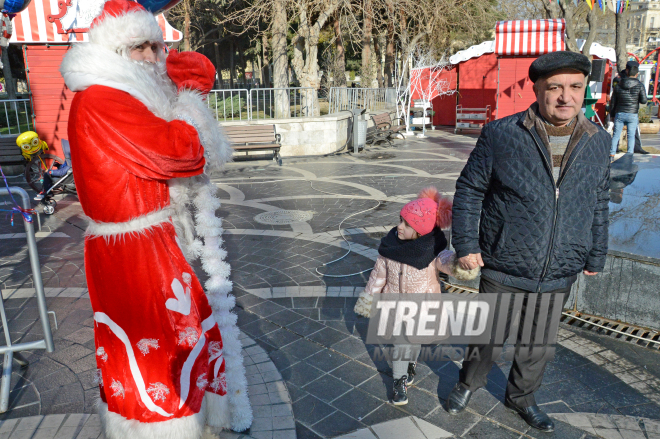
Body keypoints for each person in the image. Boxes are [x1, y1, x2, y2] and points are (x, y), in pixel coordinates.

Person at [59, 1, 250, 438]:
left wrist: (183, 98)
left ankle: (183, 420)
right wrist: (188, 98)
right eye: (138, 48)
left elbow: (195, 155)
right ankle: (164, 428)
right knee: (159, 349)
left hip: (147, 239)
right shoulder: (104, 99)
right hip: (134, 251)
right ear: (114, 52)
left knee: (178, 339)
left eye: (154, 46)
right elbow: (179, 151)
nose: (151, 57)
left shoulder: (122, 95)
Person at [447, 51, 610, 432]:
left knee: (538, 345)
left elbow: (599, 199)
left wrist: (596, 252)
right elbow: (470, 190)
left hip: (560, 266)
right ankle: (467, 383)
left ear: (584, 89)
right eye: (555, 87)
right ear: (537, 89)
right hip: (505, 260)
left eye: (575, 87)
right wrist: (467, 245)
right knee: (486, 336)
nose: (565, 97)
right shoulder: (502, 133)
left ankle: (522, 397)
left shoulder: (598, 140)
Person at [353, 187, 479, 406]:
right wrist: (368, 298)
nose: (399, 227)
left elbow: (447, 261)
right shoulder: (390, 247)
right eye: (400, 220)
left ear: (421, 230)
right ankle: (398, 380)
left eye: (406, 224)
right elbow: (378, 274)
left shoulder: (432, 251)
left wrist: (462, 263)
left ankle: (411, 364)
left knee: (415, 341)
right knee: (401, 344)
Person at [609, 63, 647, 158]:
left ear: (627, 72)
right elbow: (643, 101)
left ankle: (612, 153)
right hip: (632, 113)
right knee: (631, 136)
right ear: (637, 74)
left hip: (620, 113)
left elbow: (613, 102)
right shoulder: (639, 85)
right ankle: (629, 154)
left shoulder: (618, 85)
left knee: (616, 135)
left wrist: (612, 115)